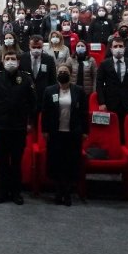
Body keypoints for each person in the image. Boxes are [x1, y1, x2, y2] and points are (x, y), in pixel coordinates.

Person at [0, 51, 37, 205]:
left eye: (13, 59)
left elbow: (33, 103)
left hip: (19, 127)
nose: (10, 61)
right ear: (2, 61)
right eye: (7, 59)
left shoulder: (26, 79)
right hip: (0, 127)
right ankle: (2, 191)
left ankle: (16, 192)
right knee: (1, 162)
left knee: (16, 162)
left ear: (18, 61)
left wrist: (30, 123)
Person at [41, 64, 89, 206]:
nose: (63, 73)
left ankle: (67, 192)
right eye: (60, 71)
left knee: (70, 163)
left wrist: (85, 131)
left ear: (70, 73)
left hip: (73, 133)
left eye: (65, 71)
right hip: (55, 133)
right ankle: (58, 191)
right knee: (57, 163)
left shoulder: (79, 91)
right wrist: (44, 130)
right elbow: (45, 113)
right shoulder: (49, 91)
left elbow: (84, 113)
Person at [96, 37, 128, 142]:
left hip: (127, 102)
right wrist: (101, 102)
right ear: (111, 49)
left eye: (120, 46)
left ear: (124, 48)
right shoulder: (104, 64)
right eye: (115, 46)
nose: (118, 48)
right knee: (110, 129)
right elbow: (99, 84)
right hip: (110, 101)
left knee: (125, 129)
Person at [19, 35, 56, 108]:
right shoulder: (22, 58)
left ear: (42, 46)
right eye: (34, 47)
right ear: (29, 46)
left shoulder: (49, 59)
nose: (36, 49)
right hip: (26, 95)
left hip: (44, 95)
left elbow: (53, 79)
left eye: (39, 47)